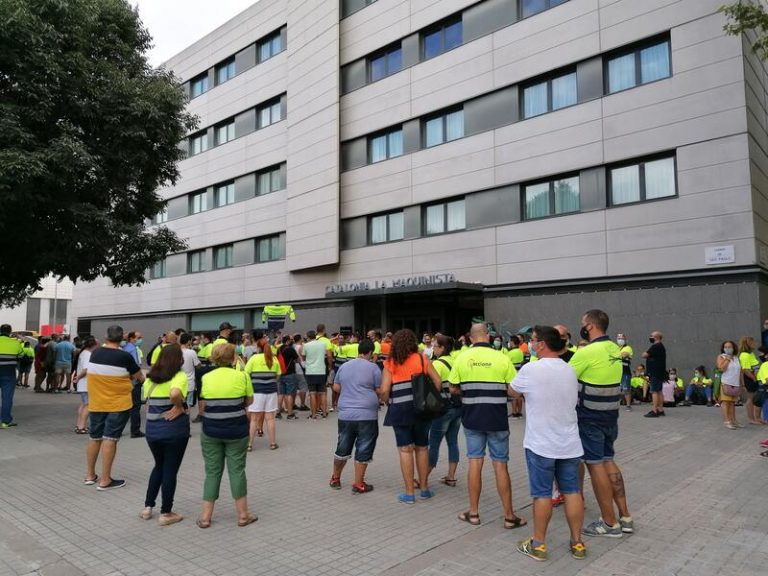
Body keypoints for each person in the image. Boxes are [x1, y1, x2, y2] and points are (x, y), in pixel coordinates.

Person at [509, 326, 586, 562]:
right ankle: (577, 542)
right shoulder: (570, 370)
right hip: (570, 442)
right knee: (573, 492)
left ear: (541, 344)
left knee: (542, 494)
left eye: (533, 341)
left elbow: (512, 392)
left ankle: (538, 544)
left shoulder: (531, 369)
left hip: (540, 443)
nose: (531, 344)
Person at [448, 323, 526, 529]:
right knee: (500, 465)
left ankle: (473, 513)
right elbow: (514, 390)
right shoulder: (502, 357)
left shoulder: (461, 358)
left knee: (475, 462)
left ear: (472, 338)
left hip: (472, 418)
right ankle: (509, 516)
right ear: (489, 337)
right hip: (497, 419)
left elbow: (453, 387)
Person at [571, 309, 633, 538]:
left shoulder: (588, 352)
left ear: (590, 326)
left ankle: (609, 523)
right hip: (610, 416)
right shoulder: (614, 349)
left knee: (594, 465)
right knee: (608, 461)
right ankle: (625, 517)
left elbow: (565, 378)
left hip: (589, 418)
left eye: (582, 323)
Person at [380, 329, 443, 504]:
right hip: (421, 409)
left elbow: (384, 390)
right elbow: (437, 381)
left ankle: (409, 493)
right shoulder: (423, 358)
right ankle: (424, 489)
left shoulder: (390, 363)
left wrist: (385, 400)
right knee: (422, 447)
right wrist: (429, 399)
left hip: (399, 410)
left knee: (405, 449)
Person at [197, 343, 256, 528]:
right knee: (237, 471)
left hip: (211, 430)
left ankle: (205, 517)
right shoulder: (242, 376)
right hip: (237, 430)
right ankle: (243, 515)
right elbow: (249, 400)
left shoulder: (206, 377)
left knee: (212, 472)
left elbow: (204, 403)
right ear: (234, 358)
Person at [84, 325, 145, 490]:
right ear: (122, 339)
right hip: (118, 404)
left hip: (96, 403)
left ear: (106, 337)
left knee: (94, 438)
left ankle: (90, 475)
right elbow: (140, 377)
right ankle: (105, 480)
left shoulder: (95, 353)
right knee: (110, 439)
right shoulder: (125, 357)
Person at [139, 344, 190, 526]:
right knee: (170, 470)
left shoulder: (150, 379)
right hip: (173, 430)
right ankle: (166, 512)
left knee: (158, 466)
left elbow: (146, 402)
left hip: (152, 430)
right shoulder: (179, 376)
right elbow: (175, 392)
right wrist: (178, 406)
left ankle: (147, 507)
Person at [329, 339, 381, 493]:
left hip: (346, 414)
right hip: (367, 415)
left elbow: (336, 387)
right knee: (364, 448)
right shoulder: (374, 368)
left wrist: (350, 390)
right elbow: (379, 389)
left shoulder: (344, 366)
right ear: (370, 353)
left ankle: (335, 478)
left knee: (342, 447)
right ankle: (358, 483)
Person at [427, 335, 462, 487]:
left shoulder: (437, 364)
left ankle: (423, 476)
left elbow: (432, 387)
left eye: (435, 346)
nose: (433, 348)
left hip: (442, 409)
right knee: (453, 442)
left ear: (442, 348)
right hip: (458, 407)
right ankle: (451, 476)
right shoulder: (456, 361)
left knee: (433, 443)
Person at [244, 330, 282, 450]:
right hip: (271, 392)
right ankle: (272, 443)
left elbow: (246, 374)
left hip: (256, 393)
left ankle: (249, 445)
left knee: (254, 419)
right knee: (270, 418)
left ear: (257, 348)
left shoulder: (254, 359)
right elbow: (278, 376)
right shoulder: (274, 360)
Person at [0, 324, 24, 428]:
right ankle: (5, 422)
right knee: (7, 398)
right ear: (10, 332)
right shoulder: (15, 343)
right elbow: (21, 355)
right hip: (9, 374)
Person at [73, 336, 98, 434]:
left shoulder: (84, 353)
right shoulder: (87, 354)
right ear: (93, 345)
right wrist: (78, 377)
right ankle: (81, 427)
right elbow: (86, 369)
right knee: (87, 405)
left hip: (83, 384)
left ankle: (79, 425)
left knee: (84, 404)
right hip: (86, 384)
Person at [303, 330, 330, 419]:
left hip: (310, 371)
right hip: (321, 370)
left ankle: (313, 415)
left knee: (312, 394)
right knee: (322, 393)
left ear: (308, 337)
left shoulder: (306, 345)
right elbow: (327, 355)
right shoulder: (322, 344)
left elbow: (303, 356)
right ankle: (324, 413)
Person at [124, 331, 146, 438]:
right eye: (139, 337)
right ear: (132, 338)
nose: (140, 339)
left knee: (127, 406)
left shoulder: (126, 348)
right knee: (135, 406)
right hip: (133, 381)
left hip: (126, 381)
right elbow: (134, 367)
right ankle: (135, 430)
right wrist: (141, 378)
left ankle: (118, 429)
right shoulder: (132, 349)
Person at [716, 340, 742, 429]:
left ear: (733, 348)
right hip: (725, 382)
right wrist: (727, 359)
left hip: (735, 383)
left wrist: (742, 383)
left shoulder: (736, 358)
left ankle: (733, 420)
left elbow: (739, 371)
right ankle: (727, 421)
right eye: (725, 347)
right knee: (725, 402)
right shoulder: (721, 357)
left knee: (732, 403)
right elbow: (721, 369)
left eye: (729, 347)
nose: (727, 349)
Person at [643, 331, 667, 417]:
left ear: (656, 337)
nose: (650, 337)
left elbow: (645, 355)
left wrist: (644, 354)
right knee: (659, 391)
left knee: (654, 391)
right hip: (660, 372)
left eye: (651, 336)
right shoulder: (661, 346)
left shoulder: (656, 346)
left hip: (655, 372)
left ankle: (654, 410)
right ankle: (660, 409)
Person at [738, 336, 761, 424]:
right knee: (751, 398)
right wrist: (754, 378)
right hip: (750, 379)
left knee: (754, 398)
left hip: (754, 378)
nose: (754, 343)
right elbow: (745, 370)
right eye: (752, 342)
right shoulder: (744, 355)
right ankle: (751, 419)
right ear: (747, 344)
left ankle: (756, 417)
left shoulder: (751, 354)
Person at [276, 335, 299, 420]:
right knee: (289, 394)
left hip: (281, 374)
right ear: (288, 341)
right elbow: (297, 360)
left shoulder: (278, 349)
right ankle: (290, 414)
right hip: (290, 373)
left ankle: (278, 413)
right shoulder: (290, 349)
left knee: (281, 394)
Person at [180, 333, 201, 419]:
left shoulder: (175, 351)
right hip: (189, 382)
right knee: (187, 404)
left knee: (179, 402)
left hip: (177, 382)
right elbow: (198, 365)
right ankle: (185, 420)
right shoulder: (191, 352)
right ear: (188, 341)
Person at [616, 333, 633, 411]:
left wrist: (614, 355)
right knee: (616, 389)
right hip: (616, 372)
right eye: (618, 338)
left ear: (625, 340)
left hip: (625, 371)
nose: (620, 340)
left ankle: (628, 405)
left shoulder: (628, 347)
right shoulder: (616, 348)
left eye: (621, 338)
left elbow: (624, 355)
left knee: (626, 389)